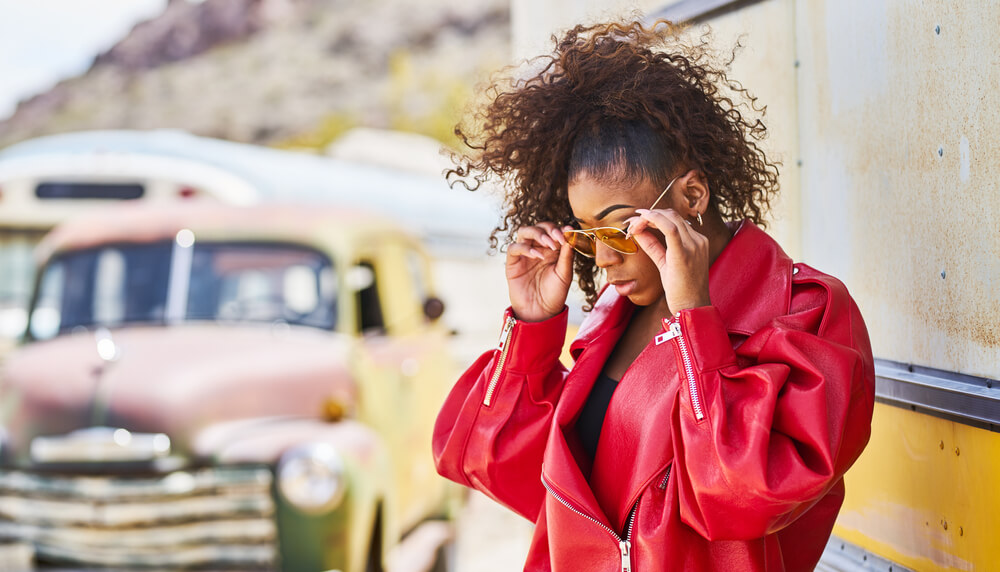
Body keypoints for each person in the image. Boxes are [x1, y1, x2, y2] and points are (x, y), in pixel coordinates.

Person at [433, 19, 875, 571]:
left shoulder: (807, 311)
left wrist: (695, 318)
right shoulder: (611, 322)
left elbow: (743, 494)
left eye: (620, 229)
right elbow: (500, 467)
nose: (606, 257)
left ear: (691, 195)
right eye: (587, 235)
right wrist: (529, 327)